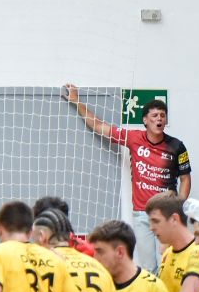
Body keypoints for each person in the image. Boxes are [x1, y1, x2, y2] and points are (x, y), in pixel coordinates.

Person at [65, 88, 190, 272]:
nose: (159, 119)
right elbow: (100, 126)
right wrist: (76, 101)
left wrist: (177, 208)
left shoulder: (177, 146)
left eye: (162, 115)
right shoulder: (133, 138)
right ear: (145, 120)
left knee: (168, 263)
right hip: (142, 214)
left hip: (167, 215)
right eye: (154, 115)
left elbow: (185, 179)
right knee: (149, 267)